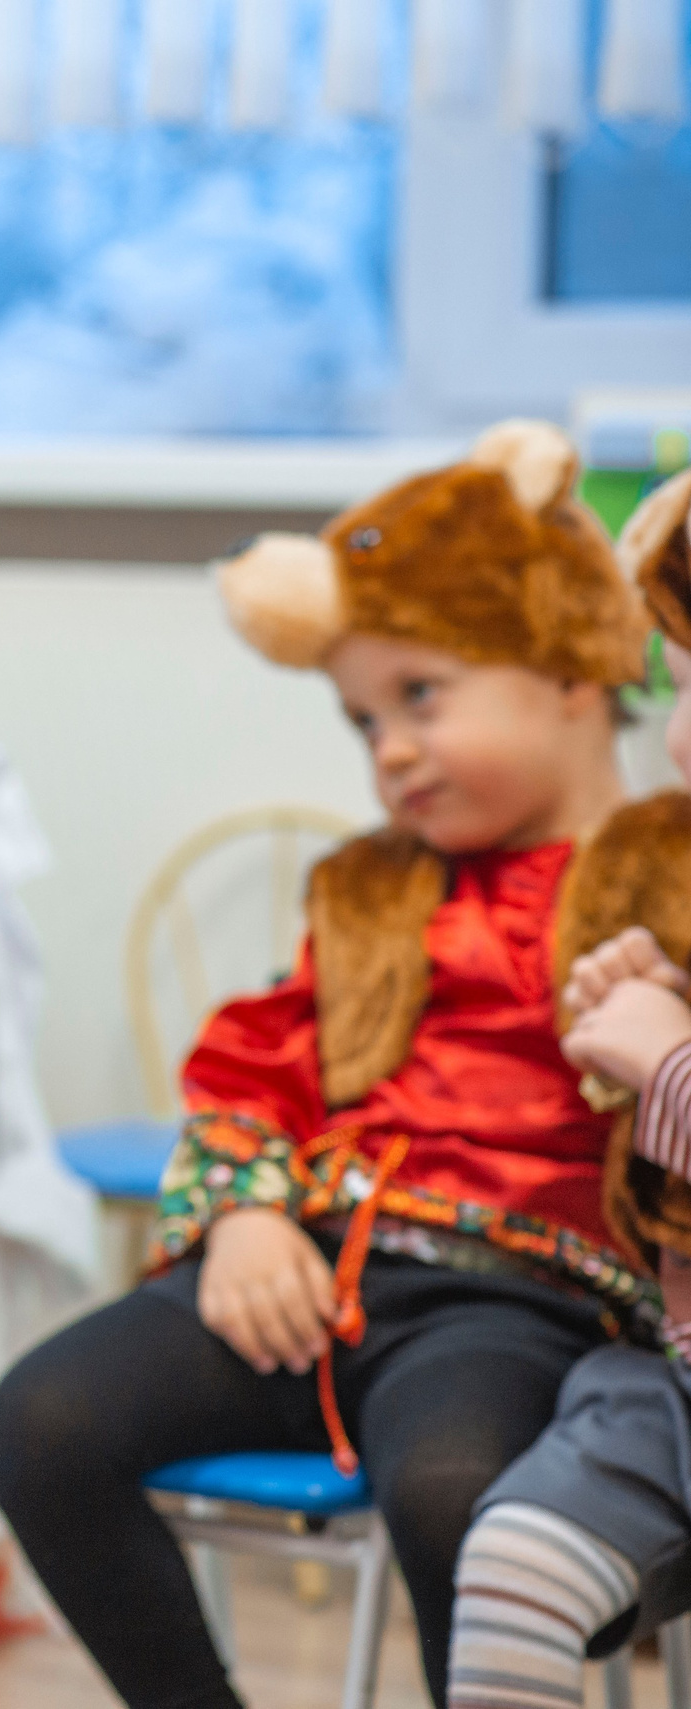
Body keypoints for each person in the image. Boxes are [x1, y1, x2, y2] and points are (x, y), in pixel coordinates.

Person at [0, 421, 661, 1709]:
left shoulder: (660, 872)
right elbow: (255, 1068)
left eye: (422, 695)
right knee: (44, 1420)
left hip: (515, 1299)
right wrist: (240, 1212)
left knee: (451, 1487)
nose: (389, 748)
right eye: (362, 718)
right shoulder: (369, 889)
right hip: (310, 1269)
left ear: (569, 665)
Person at [445, 467, 691, 1708]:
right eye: (683, 682)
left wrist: (667, 1062)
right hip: (671, 1376)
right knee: (516, 1561)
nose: (682, 733)